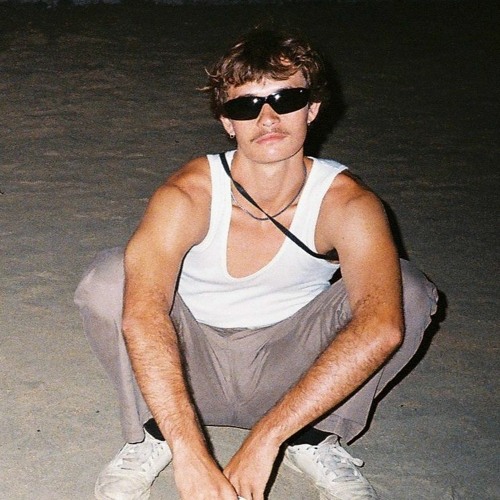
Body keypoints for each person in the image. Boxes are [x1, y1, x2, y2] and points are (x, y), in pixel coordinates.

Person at [75, 27, 438, 500]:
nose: (267, 118)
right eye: (246, 105)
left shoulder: (347, 203)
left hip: (294, 372)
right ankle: (154, 434)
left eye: (286, 99)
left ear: (312, 108)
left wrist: (266, 441)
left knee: (406, 291)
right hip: (190, 364)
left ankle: (314, 436)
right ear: (228, 123)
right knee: (111, 278)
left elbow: (382, 327)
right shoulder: (189, 194)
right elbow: (144, 314)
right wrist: (190, 451)